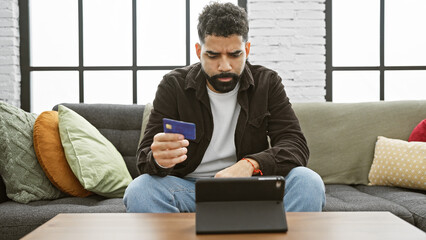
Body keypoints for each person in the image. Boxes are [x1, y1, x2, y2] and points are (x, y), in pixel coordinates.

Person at [124, 2, 325, 213]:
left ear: (246, 50)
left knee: (308, 181)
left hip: (251, 186)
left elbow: (295, 145)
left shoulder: (268, 82)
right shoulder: (173, 85)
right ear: (198, 51)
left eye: (235, 54)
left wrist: (250, 164)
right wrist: (159, 160)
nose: (225, 66)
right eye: (213, 55)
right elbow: (144, 159)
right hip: (190, 190)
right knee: (140, 190)